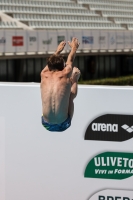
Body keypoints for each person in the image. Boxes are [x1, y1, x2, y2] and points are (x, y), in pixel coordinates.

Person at [40, 37, 80, 132]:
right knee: (71, 88)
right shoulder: (66, 73)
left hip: (46, 123)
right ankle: (75, 80)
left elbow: (50, 62)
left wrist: (57, 51)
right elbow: (70, 60)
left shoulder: (43, 74)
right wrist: (74, 48)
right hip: (64, 124)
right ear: (63, 67)